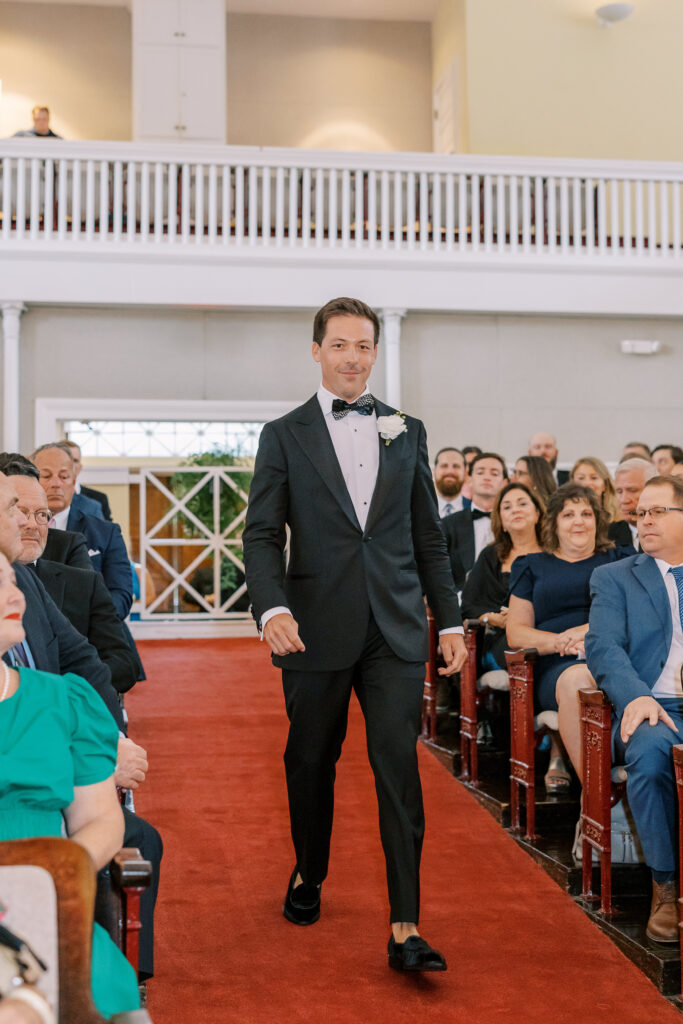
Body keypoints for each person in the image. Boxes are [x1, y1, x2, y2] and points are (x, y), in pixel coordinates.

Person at [243, 296, 465, 973]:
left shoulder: (406, 429)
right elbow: (259, 533)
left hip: (394, 631)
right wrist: (270, 609)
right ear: (317, 351)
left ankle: (405, 926)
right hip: (312, 629)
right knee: (309, 761)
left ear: (375, 352)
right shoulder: (283, 435)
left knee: (397, 769)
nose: (352, 357)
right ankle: (310, 871)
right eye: (339, 344)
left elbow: (426, 535)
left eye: (363, 345)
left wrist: (448, 618)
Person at [0, 551, 140, 1018]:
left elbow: (101, 818)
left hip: (46, 902)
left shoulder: (63, 701)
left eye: (11, 579)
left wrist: (48, 882)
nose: (14, 594)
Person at [586, 475, 683, 943]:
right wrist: (637, 695)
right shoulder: (616, 576)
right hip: (654, 706)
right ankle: (665, 885)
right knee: (648, 752)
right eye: (640, 512)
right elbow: (603, 646)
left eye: (657, 511)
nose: (644, 519)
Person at [506, 483, 631, 792]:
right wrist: (562, 642)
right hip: (557, 665)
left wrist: (590, 634)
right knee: (577, 680)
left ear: (598, 521)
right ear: (554, 522)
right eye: (569, 514)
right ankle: (597, 799)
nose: (578, 521)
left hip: (614, 650)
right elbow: (516, 632)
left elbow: (635, 614)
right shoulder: (531, 566)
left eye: (586, 513)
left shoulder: (621, 560)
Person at [11, 467, 138, 694]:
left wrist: (59, 692)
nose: (32, 524)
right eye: (20, 512)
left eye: (41, 514)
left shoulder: (81, 584)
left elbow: (121, 665)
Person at [31, 445, 132, 620]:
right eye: (46, 476)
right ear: (32, 480)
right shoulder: (17, 528)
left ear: (74, 481)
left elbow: (120, 594)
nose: (56, 483)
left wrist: (93, 624)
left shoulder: (105, 533)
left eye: (64, 476)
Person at [461, 482, 543, 674]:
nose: (515, 510)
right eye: (507, 507)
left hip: (547, 630)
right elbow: (469, 605)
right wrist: (495, 618)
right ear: (502, 521)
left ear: (537, 513)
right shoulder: (490, 556)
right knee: (520, 645)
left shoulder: (555, 554)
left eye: (522, 504)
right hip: (503, 638)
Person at [441, 452, 508, 592]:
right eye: (480, 472)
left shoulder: (513, 523)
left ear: (504, 483)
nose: (487, 477)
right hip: (459, 603)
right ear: (469, 479)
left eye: (494, 473)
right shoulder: (448, 524)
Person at [57, 440, 113, 521]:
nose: (71, 464)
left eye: (75, 460)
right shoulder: (44, 496)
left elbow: (107, 532)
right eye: (67, 459)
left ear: (80, 466)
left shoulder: (99, 499)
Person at [612, 457, 658, 549]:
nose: (624, 500)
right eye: (619, 491)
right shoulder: (606, 536)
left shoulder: (672, 531)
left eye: (632, 490)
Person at [570, 457, 620, 523]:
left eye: (594, 478)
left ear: (605, 485)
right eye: (581, 478)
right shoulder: (564, 514)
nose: (587, 483)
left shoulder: (620, 515)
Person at [432, 447, 469, 516]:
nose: (450, 471)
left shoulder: (474, 509)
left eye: (456, 466)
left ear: (465, 473)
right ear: (434, 471)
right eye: (444, 466)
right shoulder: (419, 508)